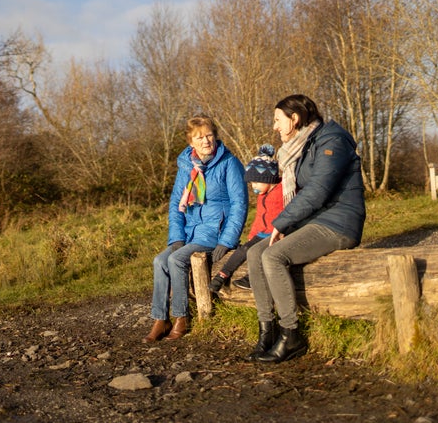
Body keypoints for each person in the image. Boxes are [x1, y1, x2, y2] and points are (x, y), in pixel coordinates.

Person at [245, 94, 366, 363]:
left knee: (273, 255)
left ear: (295, 119)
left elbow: (318, 191)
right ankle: (267, 330)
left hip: (339, 222)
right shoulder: (304, 145)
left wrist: (282, 222)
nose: (275, 126)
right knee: (255, 253)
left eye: (278, 120)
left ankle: (292, 335)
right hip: (316, 221)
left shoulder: (332, 140)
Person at [143, 113, 248, 343]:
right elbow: (175, 205)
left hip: (214, 231)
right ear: (191, 142)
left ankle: (182, 317)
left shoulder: (229, 163)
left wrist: (227, 241)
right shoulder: (186, 166)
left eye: (209, 135)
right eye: (199, 137)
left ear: (215, 137)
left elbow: (240, 204)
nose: (205, 141)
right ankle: (161, 319)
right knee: (160, 260)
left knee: (177, 259)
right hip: (190, 230)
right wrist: (176, 238)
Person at [208, 144, 284, 293]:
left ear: (268, 178)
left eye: (256, 182)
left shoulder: (282, 191)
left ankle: (252, 278)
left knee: (260, 253)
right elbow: (258, 218)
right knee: (243, 250)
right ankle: (222, 275)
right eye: (251, 183)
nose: (253, 186)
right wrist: (251, 235)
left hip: (276, 233)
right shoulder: (262, 196)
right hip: (262, 233)